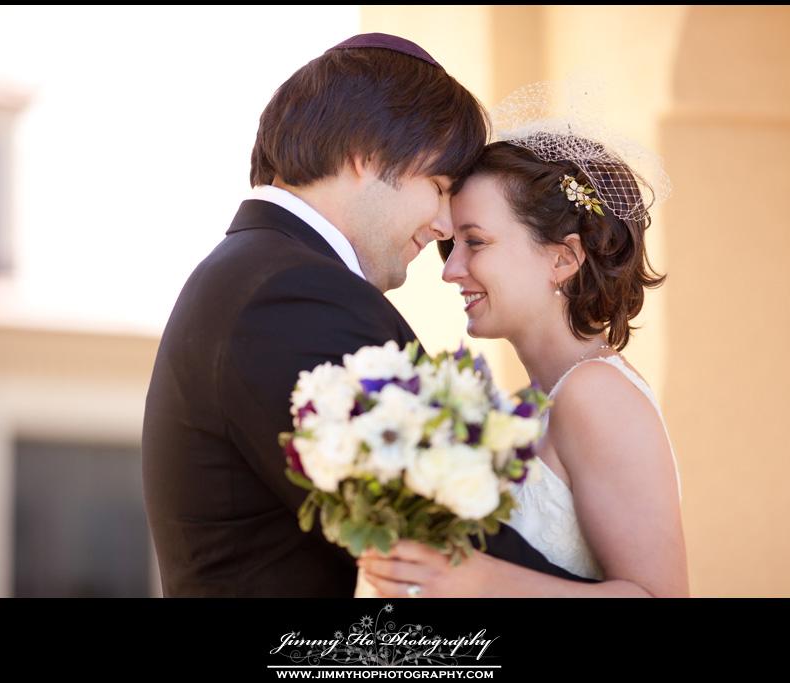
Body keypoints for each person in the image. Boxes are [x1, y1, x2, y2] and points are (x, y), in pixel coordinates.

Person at [142, 35, 594, 597]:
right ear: (368, 154)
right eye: (439, 186)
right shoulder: (295, 296)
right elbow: (444, 549)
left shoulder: (260, 272)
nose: (444, 228)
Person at [359, 135, 690, 597]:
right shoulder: (529, 406)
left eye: (474, 241)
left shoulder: (596, 393)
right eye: (452, 245)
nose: (450, 270)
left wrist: (478, 581)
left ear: (562, 258)